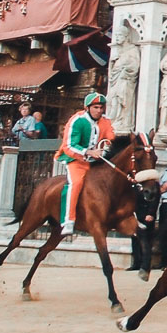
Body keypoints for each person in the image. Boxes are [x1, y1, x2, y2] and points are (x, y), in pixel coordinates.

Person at [55, 93, 115, 234]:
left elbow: (111, 138)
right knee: (76, 184)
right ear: (87, 107)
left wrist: (104, 149)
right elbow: (68, 146)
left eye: (101, 107)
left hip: (96, 162)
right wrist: (88, 152)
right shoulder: (77, 120)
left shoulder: (106, 121)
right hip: (76, 160)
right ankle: (68, 221)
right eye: (95, 107)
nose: (99, 110)